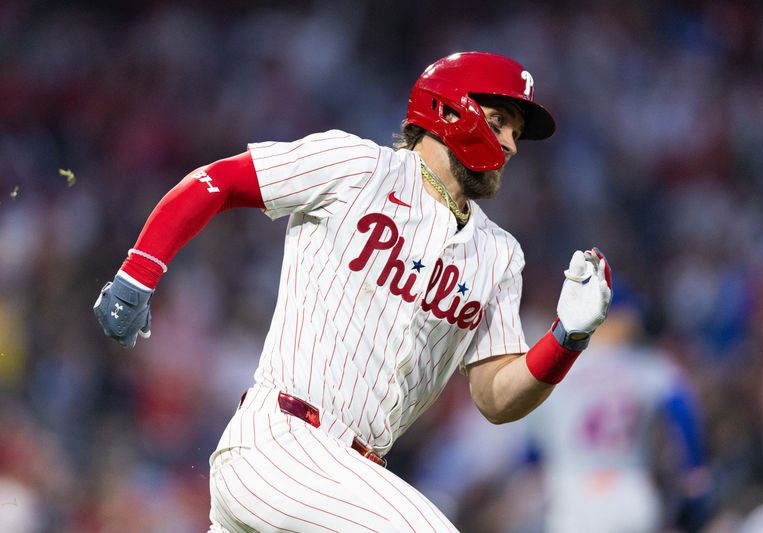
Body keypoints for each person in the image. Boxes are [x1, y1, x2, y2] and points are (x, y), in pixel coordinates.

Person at [93, 51, 612, 532]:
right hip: (282, 442)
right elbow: (220, 181)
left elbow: (495, 397)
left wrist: (566, 340)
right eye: (499, 123)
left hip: (348, 482)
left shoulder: (500, 255)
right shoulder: (357, 166)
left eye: (516, 133)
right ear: (448, 111)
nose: (510, 145)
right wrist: (137, 275)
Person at [519, 283, 710, 533]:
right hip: (631, 491)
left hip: (573, 497)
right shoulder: (648, 366)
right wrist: (694, 470)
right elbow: (681, 410)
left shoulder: (556, 369)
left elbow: (530, 451)